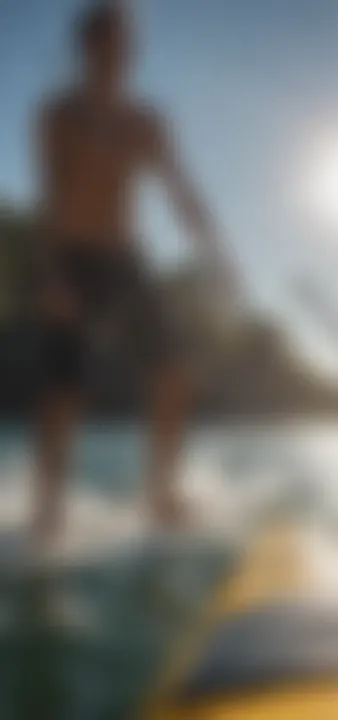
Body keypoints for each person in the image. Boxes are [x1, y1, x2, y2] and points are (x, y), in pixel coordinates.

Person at [33, 2, 232, 544]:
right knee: (63, 388)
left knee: (174, 371)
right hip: (72, 257)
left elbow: (180, 190)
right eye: (112, 43)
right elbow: (50, 196)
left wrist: (217, 254)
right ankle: (49, 508)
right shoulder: (58, 115)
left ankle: (159, 493)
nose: (122, 55)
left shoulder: (145, 122)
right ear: (87, 47)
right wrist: (53, 276)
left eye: (129, 45)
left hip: (125, 259)